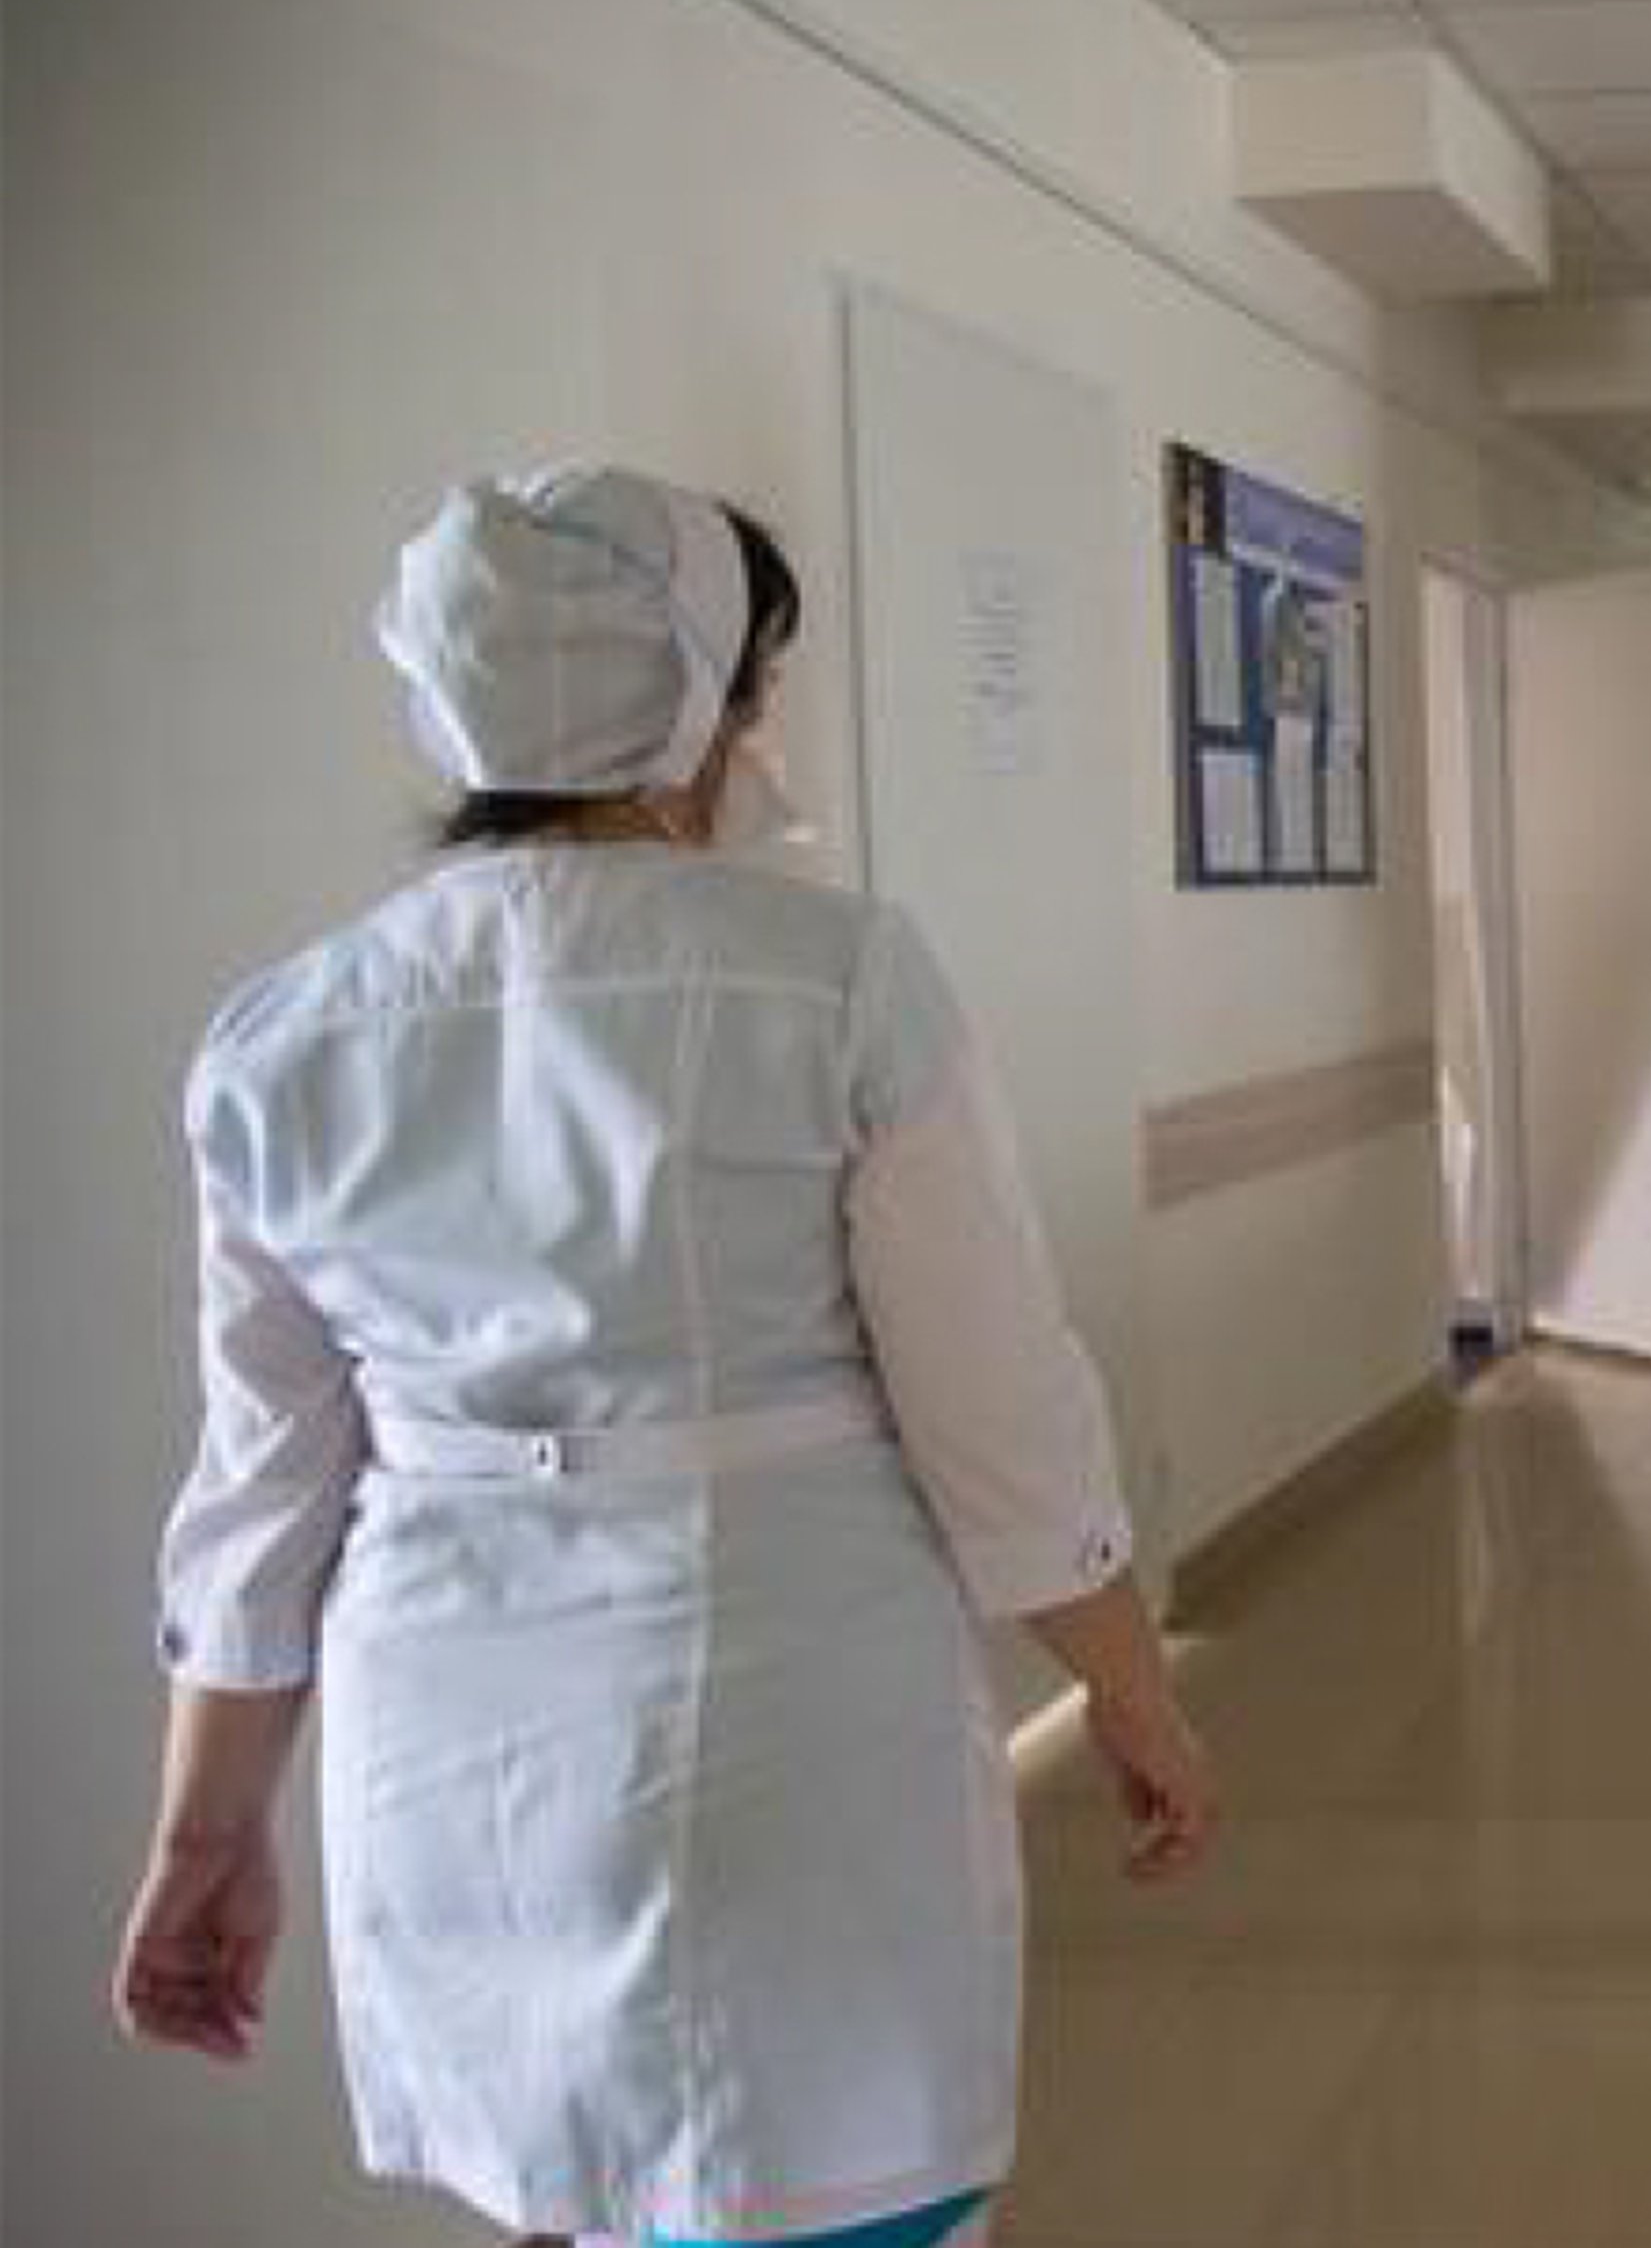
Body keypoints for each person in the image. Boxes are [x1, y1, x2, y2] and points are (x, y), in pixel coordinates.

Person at [111, 467, 1216, 2248]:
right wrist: (1138, 1696)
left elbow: (262, 1493)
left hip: (458, 1754)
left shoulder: (284, 1037)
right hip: (794, 1721)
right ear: (706, 699)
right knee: (826, 2181)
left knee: (567, 2189)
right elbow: (1000, 1415)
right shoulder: (836, 979)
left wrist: (207, 1824)